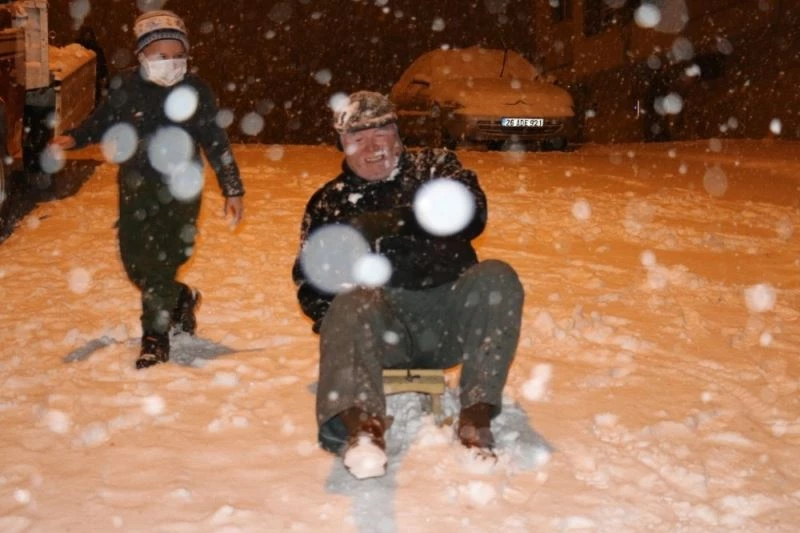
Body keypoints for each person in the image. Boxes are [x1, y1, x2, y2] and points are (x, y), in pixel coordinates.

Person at [292, 91, 524, 479]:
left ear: (397, 133)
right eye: (357, 138)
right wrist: (346, 330)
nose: (371, 146)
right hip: (384, 335)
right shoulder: (329, 203)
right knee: (348, 299)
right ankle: (362, 432)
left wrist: (390, 222)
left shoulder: (435, 167)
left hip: (450, 319)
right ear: (343, 145)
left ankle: (476, 417)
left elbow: (471, 212)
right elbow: (309, 281)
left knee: (497, 276)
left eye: (380, 132)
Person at [50, 10, 245, 369]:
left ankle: (154, 337)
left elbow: (215, 142)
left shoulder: (196, 91)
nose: (171, 63)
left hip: (183, 186)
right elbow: (103, 120)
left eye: (178, 55)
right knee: (136, 262)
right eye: (161, 55)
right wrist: (75, 137)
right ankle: (179, 298)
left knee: (163, 259)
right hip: (136, 185)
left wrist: (232, 187)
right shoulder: (126, 86)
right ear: (141, 56)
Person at [75, 25, 109, 104]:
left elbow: (103, 66)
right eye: (86, 34)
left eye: (89, 34)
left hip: (94, 83)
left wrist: (105, 80)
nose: (87, 37)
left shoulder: (97, 49)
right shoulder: (76, 49)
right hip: (81, 84)